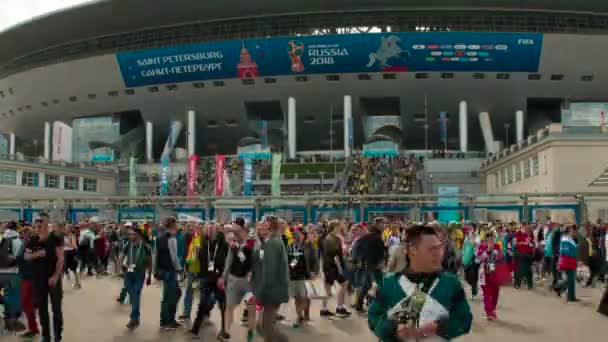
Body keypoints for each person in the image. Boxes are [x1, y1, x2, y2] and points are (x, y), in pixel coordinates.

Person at [368, 225, 472, 341]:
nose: (439, 254)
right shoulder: (388, 284)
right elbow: (373, 319)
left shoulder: (451, 283)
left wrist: (437, 327)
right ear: (413, 250)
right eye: (432, 249)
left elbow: (464, 320)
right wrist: (393, 329)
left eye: (440, 248)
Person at [26, 213, 64, 342]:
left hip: (53, 279)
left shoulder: (56, 238)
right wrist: (40, 254)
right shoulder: (33, 240)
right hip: (38, 280)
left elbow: (60, 259)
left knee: (56, 310)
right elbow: (26, 256)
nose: (39, 224)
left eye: (41, 221)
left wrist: (55, 276)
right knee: (42, 311)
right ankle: (46, 337)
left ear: (48, 223)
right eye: (37, 221)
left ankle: (58, 337)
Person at [251, 216, 290, 342]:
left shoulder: (272, 243)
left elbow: (269, 272)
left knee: (267, 327)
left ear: (268, 226)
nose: (258, 226)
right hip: (271, 290)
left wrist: (260, 294)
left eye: (261, 223)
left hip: (271, 291)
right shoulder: (269, 241)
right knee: (266, 326)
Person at [190, 223, 230, 340]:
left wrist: (223, 277)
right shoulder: (202, 243)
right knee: (202, 304)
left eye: (213, 229)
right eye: (208, 230)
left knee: (223, 305)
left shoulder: (223, 244)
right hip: (206, 278)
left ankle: (223, 330)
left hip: (219, 279)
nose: (211, 232)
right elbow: (197, 260)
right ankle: (195, 329)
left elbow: (227, 262)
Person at [220, 224, 256, 341]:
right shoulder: (232, 245)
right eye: (236, 233)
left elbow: (250, 261)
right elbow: (228, 261)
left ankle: (251, 332)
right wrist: (223, 277)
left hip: (248, 283)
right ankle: (226, 332)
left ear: (246, 234)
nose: (237, 235)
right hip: (233, 280)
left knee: (251, 307)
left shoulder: (253, 245)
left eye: (240, 232)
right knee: (229, 307)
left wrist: (252, 273)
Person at [120, 225, 152, 330]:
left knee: (136, 294)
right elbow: (121, 256)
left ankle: (133, 319)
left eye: (133, 234)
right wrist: (121, 267)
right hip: (128, 273)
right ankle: (136, 316)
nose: (131, 236)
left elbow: (150, 262)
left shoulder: (146, 247)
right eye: (129, 234)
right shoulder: (127, 245)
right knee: (133, 294)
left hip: (140, 273)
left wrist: (149, 276)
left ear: (138, 235)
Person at [154, 217, 183, 329]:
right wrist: (180, 269)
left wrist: (155, 271)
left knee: (168, 296)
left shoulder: (159, 238)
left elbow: (156, 256)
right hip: (170, 271)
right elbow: (174, 257)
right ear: (173, 226)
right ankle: (168, 320)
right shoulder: (172, 239)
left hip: (163, 270)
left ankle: (165, 320)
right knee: (173, 295)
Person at [287, 227, 318, 328]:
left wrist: (314, 271)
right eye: (294, 234)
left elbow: (315, 260)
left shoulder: (309, 245)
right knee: (297, 297)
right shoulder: (290, 246)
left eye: (298, 233)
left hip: (306, 275)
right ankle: (299, 316)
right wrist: (292, 264)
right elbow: (288, 260)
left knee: (305, 297)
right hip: (294, 275)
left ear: (303, 235)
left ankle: (305, 313)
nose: (296, 235)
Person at [320, 221, 351, 318]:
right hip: (332, 267)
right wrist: (340, 268)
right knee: (328, 289)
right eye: (339, 227)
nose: (340, 229)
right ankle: (334, 308)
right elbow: (334, 256)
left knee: (339, 285)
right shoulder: (330, 239)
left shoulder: (334, 238)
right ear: (334, 227)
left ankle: (337, 307)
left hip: (331, 267)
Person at [0, 221, 25, 332]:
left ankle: (6, 320)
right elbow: (20, 257)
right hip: (12, 272)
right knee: (13, 298)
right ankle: (11, 322)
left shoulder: (1, 238)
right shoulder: (17, 239)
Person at [477, 232, 503, 321]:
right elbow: (478, 259)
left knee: (495, 293)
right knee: (486, 293)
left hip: (495, 274)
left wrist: (495, 253)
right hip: (484, 274)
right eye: (488, 238)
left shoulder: (498, 247)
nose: (491, 240)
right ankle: (488, 312)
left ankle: (492, 310)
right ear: (485, 239)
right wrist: (487, 251)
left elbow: (501, 258)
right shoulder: (481, 247)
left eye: (492, 238)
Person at [18, 226, 39, 338]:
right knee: (28, 304)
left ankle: (33, 328)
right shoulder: (26, 244)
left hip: (30, 278)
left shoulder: (32, 244)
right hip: (27, 277)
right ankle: (33, 327)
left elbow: (23, 257)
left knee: (27, 303)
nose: (22, 236)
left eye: (24, 234)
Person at [554, 225, 579, 302]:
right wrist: (574, 252)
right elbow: (565, 252)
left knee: (572, 279)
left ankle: (572, 297)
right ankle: (558, 287)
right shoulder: (565, 239)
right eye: (572, 230)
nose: (574, 231)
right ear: (569, 230)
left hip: (572, 261)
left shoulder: (570, 239)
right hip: (567, 261)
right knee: (569, 279)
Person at [513, 223, 535, 289]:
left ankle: (530, 284)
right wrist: (523, 243)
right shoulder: (517, 234)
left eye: (527, 227)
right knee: (518, 270)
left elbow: (531, 243)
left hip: (527, 254)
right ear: (522, 227)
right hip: (519, 254)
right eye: (525, 227)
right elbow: (515, 244)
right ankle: (517, 284)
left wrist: (531, 244)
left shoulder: (527, 235)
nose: (526, 228)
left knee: (528, 270)